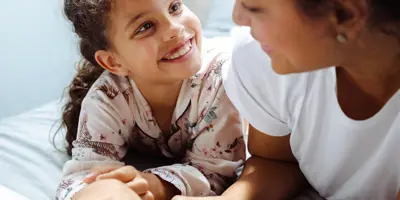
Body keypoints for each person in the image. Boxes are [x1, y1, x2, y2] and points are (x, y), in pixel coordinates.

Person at [173, 0, 400, 200]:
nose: (238, 18)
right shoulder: (263, 56)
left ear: (347, 14)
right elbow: (277, 162)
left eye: (255, 7)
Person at [56, 0, 246, 199]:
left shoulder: (220, 79)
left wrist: (150, 185)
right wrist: (104, 190)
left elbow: (215, 172)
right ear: (114, 62)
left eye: (174, 7)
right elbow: (83, 176)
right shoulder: (107, 97)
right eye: (146, 26)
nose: (174, 28)